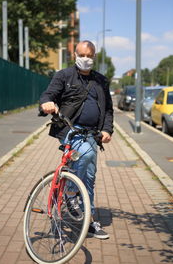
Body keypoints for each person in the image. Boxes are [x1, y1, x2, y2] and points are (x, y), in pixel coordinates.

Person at [40, 40, 113, 239]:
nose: (86, 59)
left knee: (89, 176)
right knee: (86, 155)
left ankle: (88, 221)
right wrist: (47, 103)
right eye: (82, 55)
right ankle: (72, 195)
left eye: (89, 56)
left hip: (92, 132)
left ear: (94, 57)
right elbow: (48, 94)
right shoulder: (64, 76)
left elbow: (107, 108)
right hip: (69, 128)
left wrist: (107, 129)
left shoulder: (101, 81)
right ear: (75, 55)